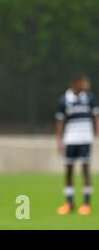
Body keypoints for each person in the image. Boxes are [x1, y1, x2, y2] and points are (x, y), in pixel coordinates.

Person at [56, 74, 99, 215]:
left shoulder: (90, 98)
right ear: (75, 83)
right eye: (84, 82)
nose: (87, 84)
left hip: (85, 139)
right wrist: (59, 141)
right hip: (70, 140)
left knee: (86, 170)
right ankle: (69, 203)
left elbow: (95, 116)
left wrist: (97, 132)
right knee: (68, 171)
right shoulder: (64, 100)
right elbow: (60, 122)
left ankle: (86, 204)